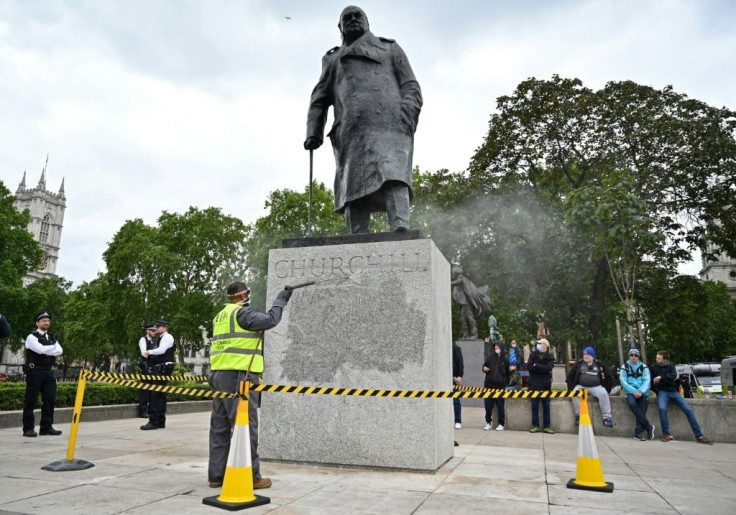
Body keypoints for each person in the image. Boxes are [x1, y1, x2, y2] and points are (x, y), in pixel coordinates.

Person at [304, 5, 422, 234]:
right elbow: (319, 98)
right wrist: (313, 132)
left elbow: (411, 85)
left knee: (393, 172)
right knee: (353, 182)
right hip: (351, 130)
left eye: (358, 16)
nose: (353, 20)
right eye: (347, 18)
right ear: (340, 27)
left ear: (367, 22)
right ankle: (357, 234)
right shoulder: (333, 59)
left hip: (390, 125)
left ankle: (400, 225)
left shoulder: (390, 49)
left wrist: (407, 113)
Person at [208, 281, 293, 490]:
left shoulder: (220, 316)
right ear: (242, 295)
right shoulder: (241, 314)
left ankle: (217, 476)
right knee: (245, 427)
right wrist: (281, 300)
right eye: (248, 294)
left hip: (219, 376)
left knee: (219, 428)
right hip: (239, 377)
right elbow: (271, 319)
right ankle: (252, 476)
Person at [650, 350, 712, 445]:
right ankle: (666, 434)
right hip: (662, 392)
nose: (656, 359)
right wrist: (657, 390)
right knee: (662, 409)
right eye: (657, 358)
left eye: (658, 358)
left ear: (665, 359)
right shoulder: (653, 368)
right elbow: (651, 382)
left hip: (673, 391)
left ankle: (699, 436)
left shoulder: (671, 367)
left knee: (688, 409)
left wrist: (661, 378)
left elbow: (673, 376)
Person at [22, 311, 63, 437]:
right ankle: (28, 428)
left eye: (48, 321)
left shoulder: (52, 337)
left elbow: (59, 351)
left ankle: (46, 427)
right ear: (37, 323)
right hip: (35, 371)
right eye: (43, 320)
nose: (46, 322)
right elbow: (39, 350)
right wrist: (51, 349)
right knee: (31, 400)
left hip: (48, 372)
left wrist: (46, 350)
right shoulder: (31, 337)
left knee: (50, 399)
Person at [567, 346, 615, 428]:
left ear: (592, 356)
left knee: (603, 394)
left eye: (588, 354)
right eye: (584, 354)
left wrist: (608, 389)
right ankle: (578, 415)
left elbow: (609, 377)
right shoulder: (579, 364)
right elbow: (570, 377)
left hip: (596, 387)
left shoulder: (600, 364)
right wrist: (571, 388)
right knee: (575, 393)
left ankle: (607, 417)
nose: (585, 356)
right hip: (581, 386)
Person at [140, 319, 175, 430]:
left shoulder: (167, 337)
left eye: (159, 326)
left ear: (164, 327)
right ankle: (160, 421)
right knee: (160, 395)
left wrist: (149, 352)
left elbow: (161, 350)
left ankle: (154, 422)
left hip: (162, 369)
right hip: (161, 368)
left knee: (156, 395)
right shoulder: (161, 337)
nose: (157, 328)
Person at [619, 348, 655, 441]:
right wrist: (634, 391)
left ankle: (638, 433)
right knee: (632, 404)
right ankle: (648, 427)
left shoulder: (644, 367)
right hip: (630, 392)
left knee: (642, 410)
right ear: (629, 356)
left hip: (643, 392)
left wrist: (640, 391)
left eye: (635, 355)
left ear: (638, 356)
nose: (633, 357)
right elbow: (623, 382)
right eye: (631, 355)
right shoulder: (624, 367)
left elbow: (647, 381)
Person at [527, 338, 555, 434]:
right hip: (534, 384)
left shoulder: (550, 356)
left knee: (546, 406)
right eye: (538, 344)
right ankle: (535, 426)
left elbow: (549, 367)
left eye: (540, 344)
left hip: (545, 385)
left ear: (546, 346)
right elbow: (529, 367)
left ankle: (547, 426)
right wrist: (542, 369)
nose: (538, 345)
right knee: (534, 406)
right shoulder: (533, 354)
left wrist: (537, 366)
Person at [482, 341, 509, 430]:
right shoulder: (490, 357)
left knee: (500, 406)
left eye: (497, 347)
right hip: (489, 385)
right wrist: (484, 368)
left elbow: (508, 373)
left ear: (501, 347)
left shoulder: (505, 359)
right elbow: (484, 366)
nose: (496, 348)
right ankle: (488, 422)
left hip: (500, 387)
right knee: (488, 405)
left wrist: (505, 383)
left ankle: (501, 423)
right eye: (495, 347)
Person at [137, 323, 157, 418]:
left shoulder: (153, 341)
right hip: (146, 367)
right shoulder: (143, 339)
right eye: (153, 331)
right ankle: (143, 411)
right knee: (144, 389)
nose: (154, 332)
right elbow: (144, 353)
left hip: (153, 367)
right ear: (148, 331)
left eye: (155, 331)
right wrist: (153, 353)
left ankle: (150, 411)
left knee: (152, 390)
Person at [452, 341, 464, 429]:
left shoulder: (455, 348)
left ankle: (458, 421)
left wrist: (460, 375)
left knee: (455, 399)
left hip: (453, 377)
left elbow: (460, 362)